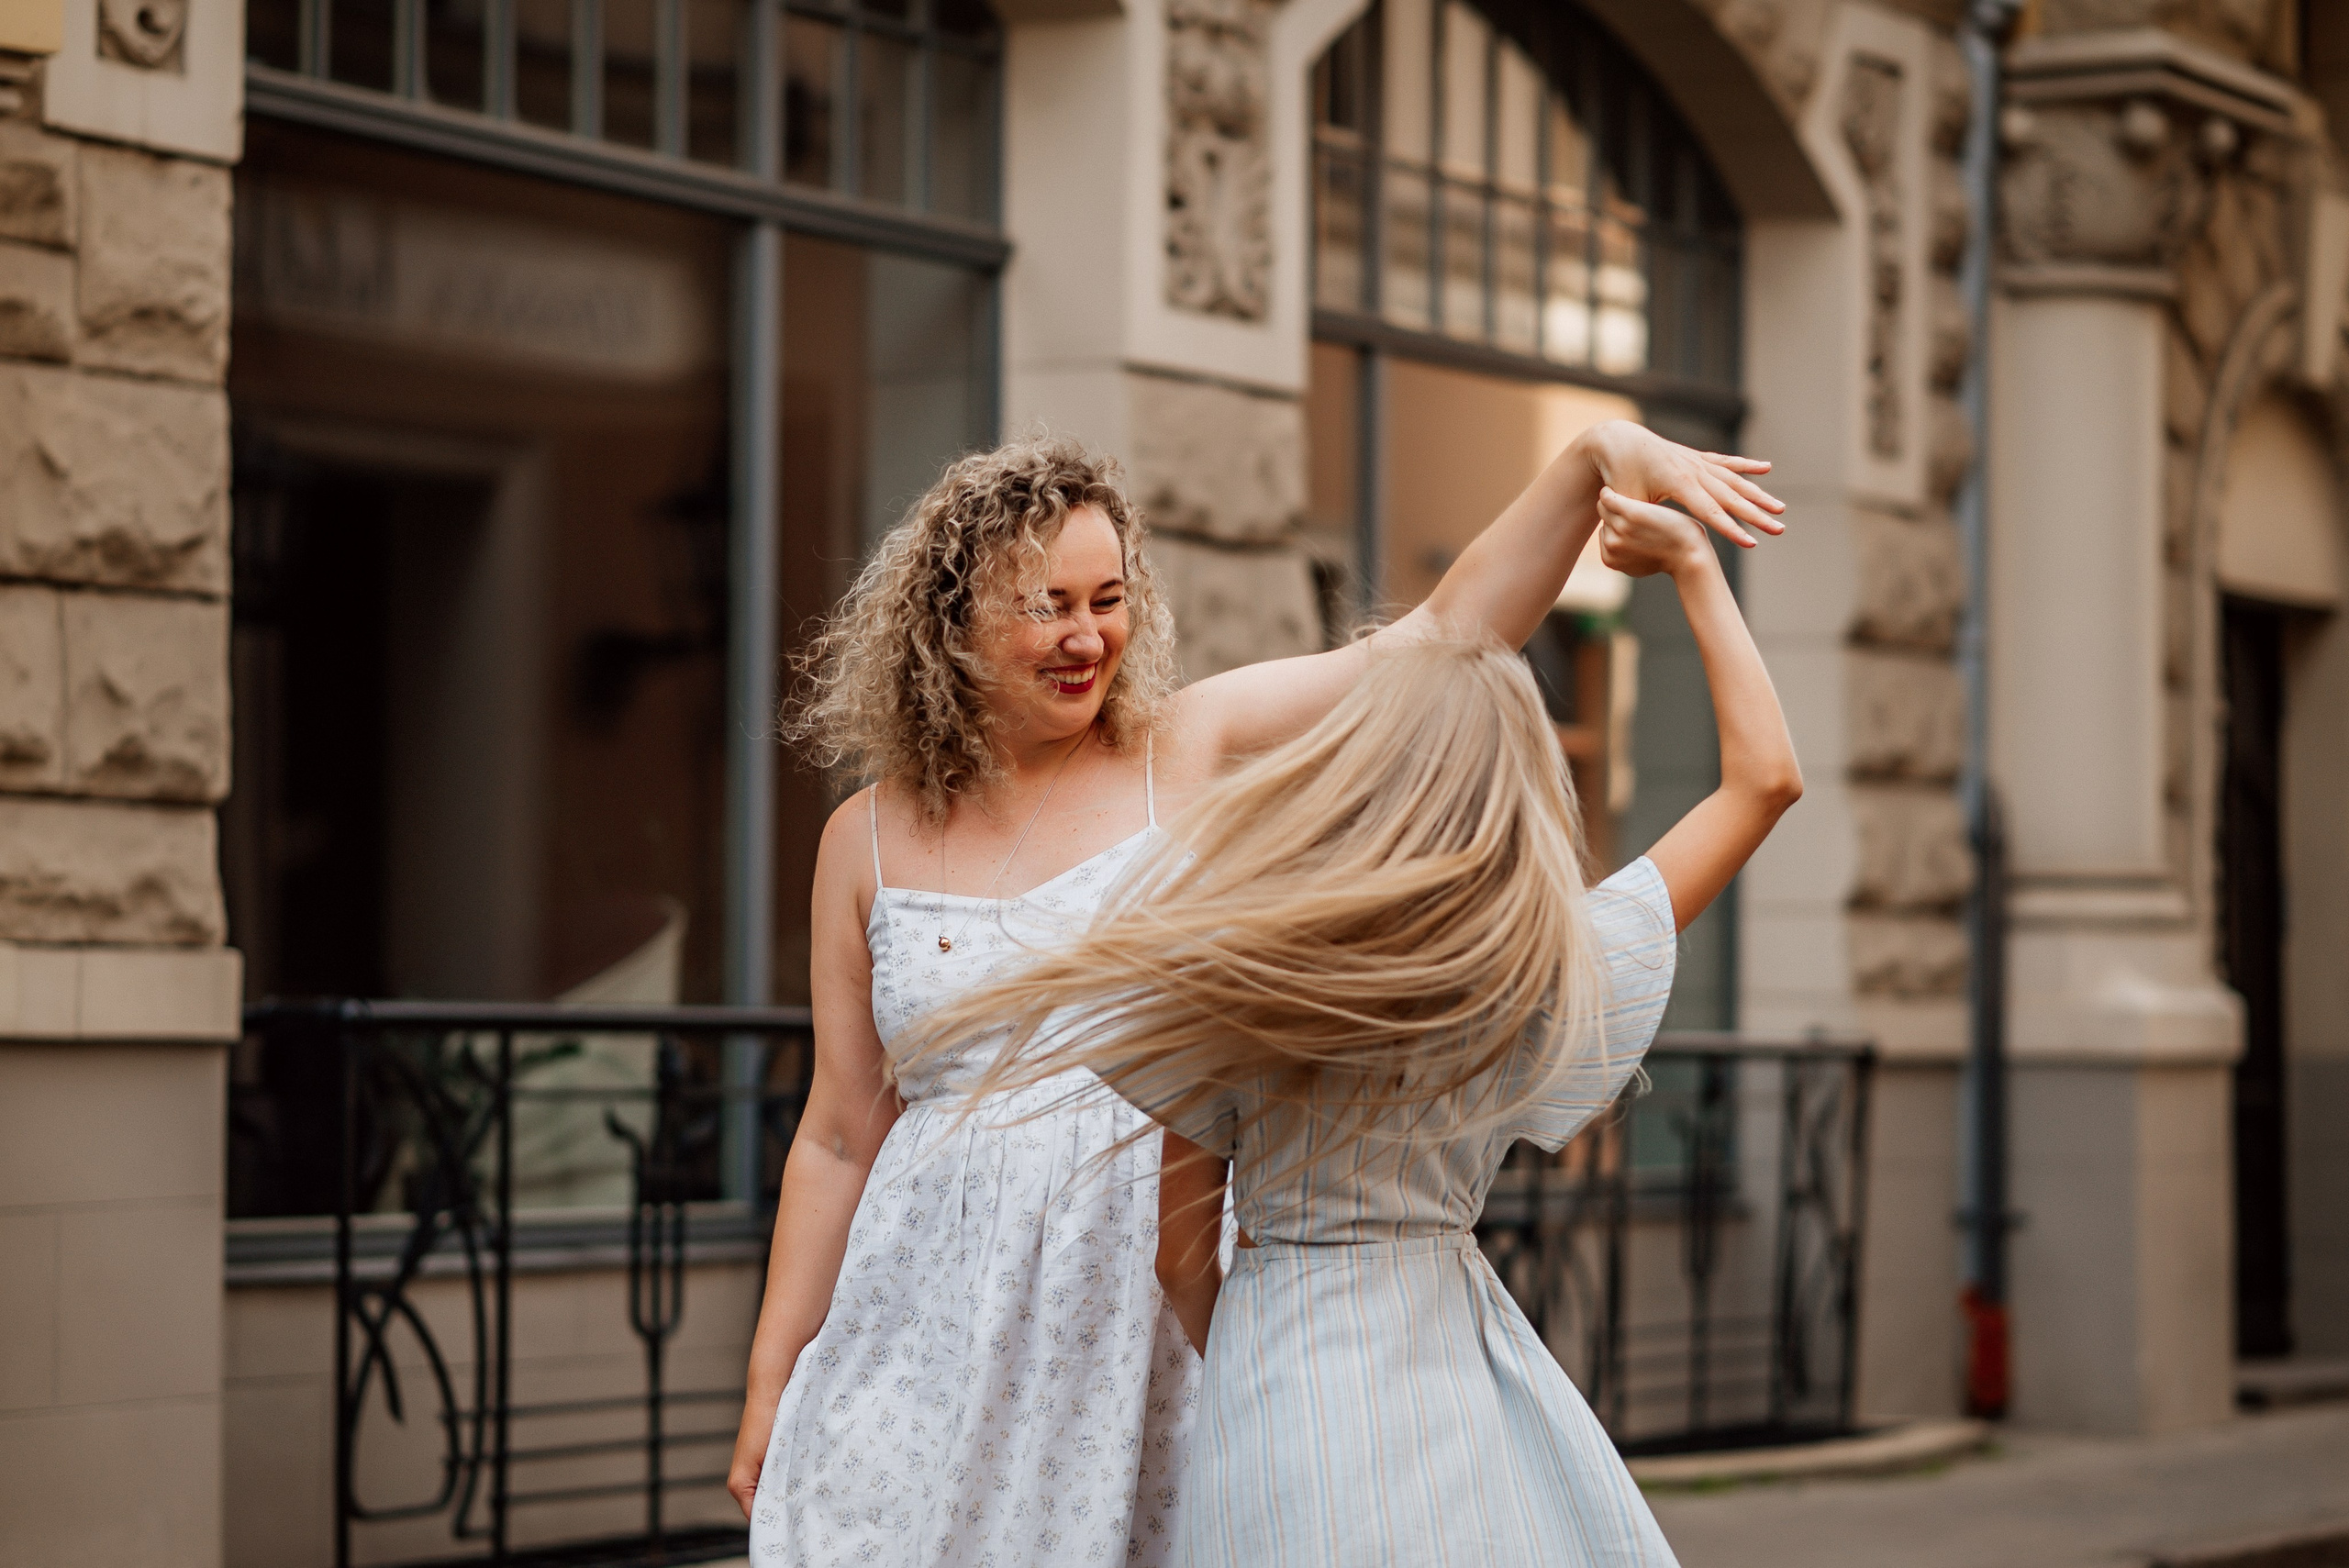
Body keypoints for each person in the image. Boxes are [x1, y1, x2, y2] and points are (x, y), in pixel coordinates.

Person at [725, 433, 1785, 1566]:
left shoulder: (1183, 746)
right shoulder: (862, 836)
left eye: (1108, 600)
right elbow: (839, 1133)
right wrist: (772, 1371)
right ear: (951, 621)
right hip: (929, 1319)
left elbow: (1447, 637)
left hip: (1138, 1318)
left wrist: (1588, 464)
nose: (1087, 636)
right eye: (1048, 605)